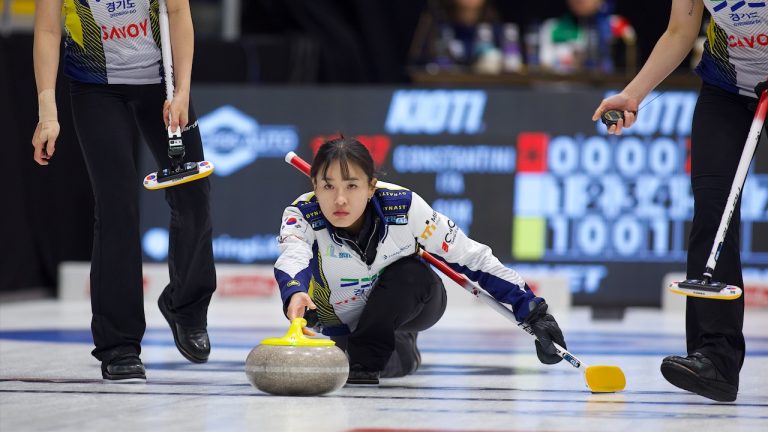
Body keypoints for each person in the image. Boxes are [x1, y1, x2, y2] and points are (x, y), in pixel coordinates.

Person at [274, 137, 567, 384]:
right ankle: (382, 348)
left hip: (412, 303)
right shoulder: (302, 214)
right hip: (338, 318)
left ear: (371, 187)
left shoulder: (405, 207)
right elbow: (293, 257)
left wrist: (532, 312)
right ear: (314, 184)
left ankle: (368, 360)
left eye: (351, 186)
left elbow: (471, 256)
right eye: (328, 186)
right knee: (365, 357)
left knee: (411, 273)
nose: (339, 199)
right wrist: (295, 291)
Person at [592, 0, 767, 402]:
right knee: (713, 208)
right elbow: (679, 32)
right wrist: (632, 94)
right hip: (726, 88)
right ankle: (716, 359)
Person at [32, 0, 216, 381]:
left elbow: (179, 14)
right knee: (116, 208)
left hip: (160, 83)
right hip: (95, 88)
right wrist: (48, 115)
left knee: (193, 193)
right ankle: (119, 346)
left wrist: (182, 92)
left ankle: (186, 306)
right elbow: (49, 30)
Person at [538, 0, 635, 74]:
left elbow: (631, 68)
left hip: (609, 92)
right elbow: (545, 69)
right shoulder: (552, 28)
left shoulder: (618, 26)